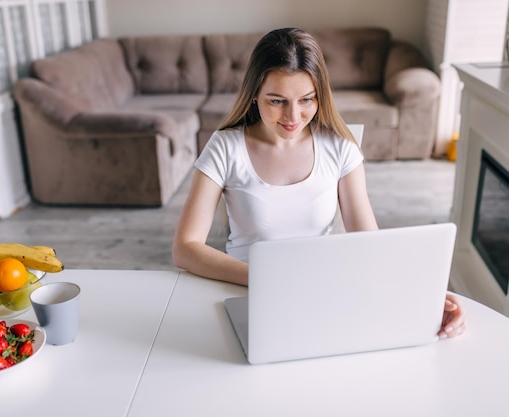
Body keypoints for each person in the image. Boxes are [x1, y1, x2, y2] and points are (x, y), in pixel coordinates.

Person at [172, 28, 465, 339]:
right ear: (254, 94)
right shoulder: (226, 147)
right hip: (245, 292)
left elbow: (370, 245)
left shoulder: (340, 147)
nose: (293, 116)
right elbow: (186, 248)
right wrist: (268, 278)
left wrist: (427, 296)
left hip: (322, 296)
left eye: (306, 99)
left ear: (320, 95)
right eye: (277, 101)